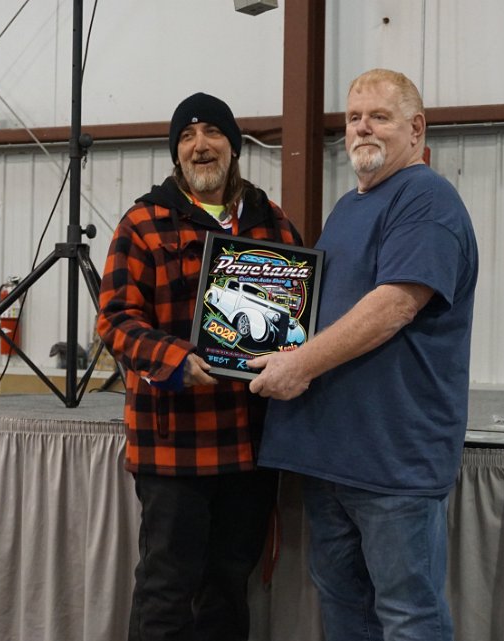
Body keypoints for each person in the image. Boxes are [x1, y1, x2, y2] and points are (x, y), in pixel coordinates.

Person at [248, 69, 479, 641]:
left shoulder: (426, 198)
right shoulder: (348, 207)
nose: (362, 128)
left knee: (408, 616)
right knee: (345, 608)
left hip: (392, 461)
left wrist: (298, 364)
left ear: (415, 128)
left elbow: (396, 304)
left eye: (379, 116)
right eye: (354, 118)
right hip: (332, 454)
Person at [97, 92, 303, 641]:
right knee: (166, 590)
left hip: (250, 446)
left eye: (212, 133)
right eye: (187, 137)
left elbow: (300, 316)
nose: (200, 145)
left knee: (228, 589)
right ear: (176, 154)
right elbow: (115, 320)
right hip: (174, 445)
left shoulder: (274, 223)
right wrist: (174, 359)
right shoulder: (142, 222)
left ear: (233, 147)